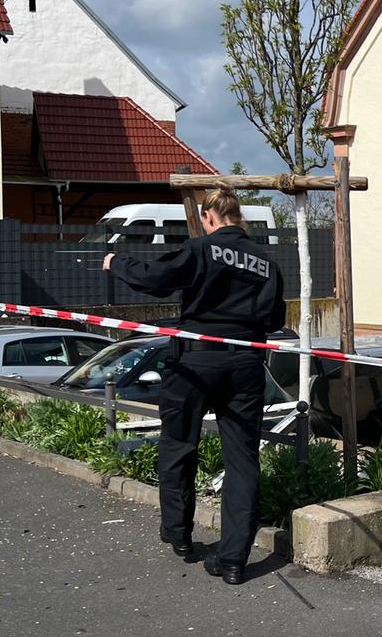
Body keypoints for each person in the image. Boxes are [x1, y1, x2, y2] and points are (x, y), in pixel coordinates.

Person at [103, 186, 283, 585]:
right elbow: (272, 319)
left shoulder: (202, 249)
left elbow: (157, 278)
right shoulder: (266, 263)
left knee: (180, 443)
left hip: (195, 358)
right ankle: (234, 560)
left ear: (209, 218)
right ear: (238, 216)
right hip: (244, 361)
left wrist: (117, 262)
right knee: (242, 460)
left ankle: (180, 535)